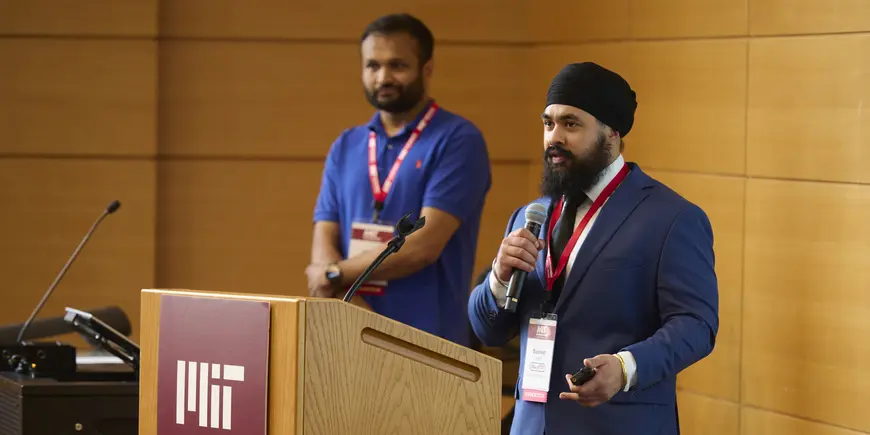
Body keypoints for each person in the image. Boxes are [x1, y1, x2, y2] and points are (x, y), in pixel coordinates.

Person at [468, 62, 719, 434]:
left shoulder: (672, 219)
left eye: (571, 124)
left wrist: (625, 367)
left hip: (618, 423)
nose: (554, 137)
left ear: (612, 134)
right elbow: (486, 331)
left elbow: (697, 325)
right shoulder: (529, 216)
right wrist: (499, 280)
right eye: (548, 123)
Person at [307, 13, 492, 347]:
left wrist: (334, 275)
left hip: (428, 345)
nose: (383, 77)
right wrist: (338, 290)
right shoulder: (346, 145)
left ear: (427, 68)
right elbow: (324, 235)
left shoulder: (458, 140)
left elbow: (422, 247)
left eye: (397, 65)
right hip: (350, 336)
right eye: (372, 65)